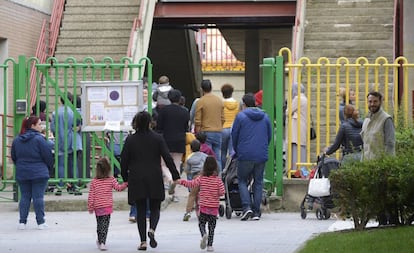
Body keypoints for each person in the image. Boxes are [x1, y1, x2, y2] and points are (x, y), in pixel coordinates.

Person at [121, 111, 180, 251]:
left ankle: (143, 241)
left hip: (137, 177)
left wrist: (125, 178)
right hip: (154, 176)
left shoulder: (130, 140)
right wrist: (175, 175)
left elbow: (124, 161)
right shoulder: (157, 138)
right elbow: (167, 157)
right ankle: (152, 229)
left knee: (140, 209)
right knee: (155, 207)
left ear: (135, 122)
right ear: (149, 123)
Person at [231, 93, 272, 221]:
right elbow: (269, 135)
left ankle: (246, 207)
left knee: (242, 180)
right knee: (258, 181)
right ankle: (256, 211)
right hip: (261, 154)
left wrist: (237, 150)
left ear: (244, 104)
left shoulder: (240, 117)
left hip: (245, 154)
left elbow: (235, 135)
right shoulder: (265, 117)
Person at [11, 116, 53, 230]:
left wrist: (21, 165)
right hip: (39, 172)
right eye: (39, 124)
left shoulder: (17, 140)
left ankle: (22, 222)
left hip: (22, 172)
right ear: (32, 126)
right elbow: (48, 156)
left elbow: (14, 157)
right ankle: (40, 222)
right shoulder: (40, 139)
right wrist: (48, 168)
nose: (41, 126)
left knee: (25, 197)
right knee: (38, 198)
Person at [360, 91, 396, 225]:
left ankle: (392, 222)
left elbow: (390, 144)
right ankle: (382, 223)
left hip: (382, 166)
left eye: (375, 101)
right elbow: (365, 145)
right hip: (369, 166)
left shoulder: (386, 119)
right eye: (370, 101)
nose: (372, 104)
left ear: (380, 101)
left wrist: (387, 165)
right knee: (375, 197)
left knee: (385, 196)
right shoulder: (366, 120)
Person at [177, 156, 225, 252]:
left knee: (201, 224)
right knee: (212, 227)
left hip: (203, 207)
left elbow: (191, 184)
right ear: (216, 167)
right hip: (214, 208)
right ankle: (210, 246)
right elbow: (222, 192)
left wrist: (180, 181)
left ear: (205, 167)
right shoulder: (218, 180)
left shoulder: (201, 178)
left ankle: (203, 234)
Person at [156, 89, 190, 202]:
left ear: (169, 98)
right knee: (175, 166)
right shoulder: (184, 111)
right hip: (180, 140)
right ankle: (174, 193)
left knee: (163, 164)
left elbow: (159, 127)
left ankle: (170, 180)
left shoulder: (164, 111)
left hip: (166, 141)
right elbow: (186, 127)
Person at [88, 157, 128, 251]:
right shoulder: (111, 179)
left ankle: (100, 240)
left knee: (99, 225)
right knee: (105, 225)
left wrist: (90, 206)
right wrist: (126, 184)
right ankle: (102, 242)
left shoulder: (94, 182)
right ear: (109, 169)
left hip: (98, 207)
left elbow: (91, 196)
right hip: (107, 207)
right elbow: (118, 188)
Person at [50, 93, 80, 195]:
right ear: (71, 101)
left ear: (60, 101)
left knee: (61, 164)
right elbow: (77, 125)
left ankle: (60, 187)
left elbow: (53, 128)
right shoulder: (74, 112)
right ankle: (75, 186)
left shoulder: (55, 112)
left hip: (60, 139)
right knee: (73, 164)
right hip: (73, 139)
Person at [194, 79, 224, 171]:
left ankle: (208, 178)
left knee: (206, 157)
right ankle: (218, 177)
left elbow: (198, 120)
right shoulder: (219, 100)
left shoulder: (201, 101)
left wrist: (198, 132)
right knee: (217, 156)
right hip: (218, 131)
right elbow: (223, 118)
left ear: (201, 89)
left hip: (206, 132)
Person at [182, 139, 208, 221]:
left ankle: (188, 212)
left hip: (195, 177)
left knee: (192, 195)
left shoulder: (190, 158)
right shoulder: (205, 156)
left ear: (191, 149)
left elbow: (187, 170)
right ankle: (208, 211)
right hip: (205, 177)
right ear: (200, 147)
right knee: (206, 194)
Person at [286, 83, 308, 173]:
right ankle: (303, 171)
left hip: (296, 128)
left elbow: (288, 112)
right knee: (301, 150)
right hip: (302, 126)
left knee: (295, 150)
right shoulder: (305, 98)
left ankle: (296, 171)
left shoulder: (297, 99)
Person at [220, 83, 239, 169]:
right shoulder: (237, 104)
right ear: (232, 92)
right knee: (232, 152)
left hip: (223, 129)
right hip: (233, 129)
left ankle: (223, 169)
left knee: (223, 152)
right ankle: (230, 169)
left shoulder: (221, 104)